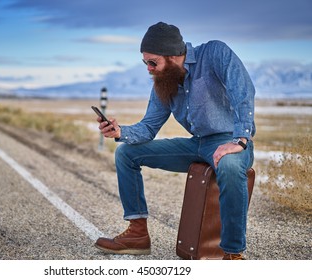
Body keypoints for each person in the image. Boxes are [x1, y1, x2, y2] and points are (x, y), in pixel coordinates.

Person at [94, 22, 255, 260]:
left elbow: (244, 92)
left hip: (231, 140)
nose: (149, 69)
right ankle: (137, 234)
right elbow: (148, 127)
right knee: (126, 153)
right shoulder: (163, 80)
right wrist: (119, 132)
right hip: (197, 144)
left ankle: (232, 254)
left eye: (152, 62)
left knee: (230, 166)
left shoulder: (214, 53)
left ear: (173, 56)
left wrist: (240, 139)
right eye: (145, 63)